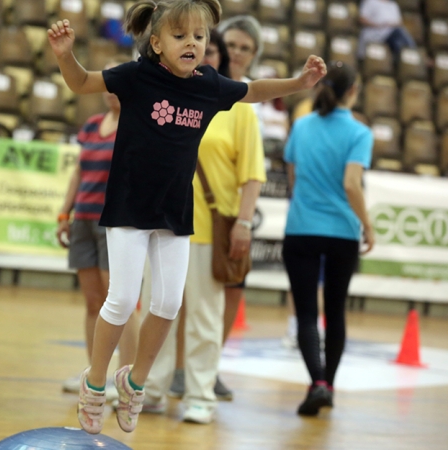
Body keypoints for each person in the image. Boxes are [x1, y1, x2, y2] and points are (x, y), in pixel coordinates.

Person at [47, 0, 326, 434]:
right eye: (181, 36)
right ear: (156, 43)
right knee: (120, 300)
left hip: (175, 211)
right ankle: (96, 383)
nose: (192, 43)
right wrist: (66, 56)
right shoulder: (137, 77)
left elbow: (254, 90)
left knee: (169, 303)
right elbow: (83, 83)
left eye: (199, 36)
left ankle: (135, 381)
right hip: (128, 207)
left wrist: (300, 82)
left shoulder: (208, 86)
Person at [143, 27, 265, 424]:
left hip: (208, 228)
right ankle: (153, 389)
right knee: (160, 311)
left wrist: (244, 222)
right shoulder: (168, 92)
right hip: (163, 222)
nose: (201, 54)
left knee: (204, 317)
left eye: (211, 49)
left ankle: (199, 394)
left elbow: (253, 173)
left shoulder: (240, 107)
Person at [282, 61, 374, 417]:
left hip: (301, 228)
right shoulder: (359, 133)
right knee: (335, 312)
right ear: (352, 91)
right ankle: (328, 386)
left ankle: (316, 382)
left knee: (306, 313)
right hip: (341, 233)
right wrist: (367, 224)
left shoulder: (302, 126)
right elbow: (352, 184)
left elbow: (292, 175)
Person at [56, 58, 139, 400]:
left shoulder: (137, 124)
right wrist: (65, 212)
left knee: (120, 301)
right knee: (93, 303)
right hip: (84, 222)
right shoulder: (91, 125)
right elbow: (79, 172)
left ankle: (126, 378)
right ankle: (96, 374)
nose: (110, 89)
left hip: (115, 224)